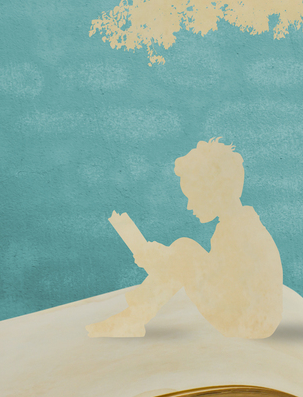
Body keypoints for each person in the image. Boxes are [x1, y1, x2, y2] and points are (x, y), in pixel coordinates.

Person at [86, 138, 283, 339]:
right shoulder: (238, 224)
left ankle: (132, 318)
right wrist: (165, 260)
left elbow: (212, 276)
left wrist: (167, 259)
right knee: (184, 251)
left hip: (248, 323)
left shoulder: (241, 231)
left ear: (216, 192)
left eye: (194, 196)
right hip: (251, 319)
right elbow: (214, 275)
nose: (189, 206)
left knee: (184, 249)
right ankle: (132, 318)